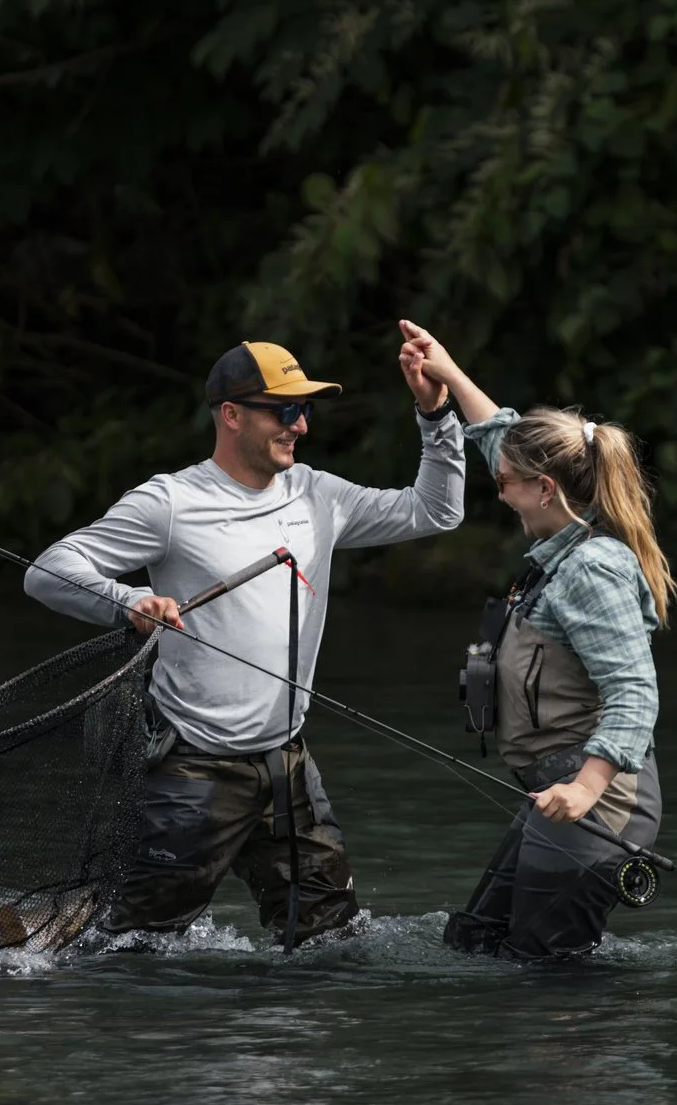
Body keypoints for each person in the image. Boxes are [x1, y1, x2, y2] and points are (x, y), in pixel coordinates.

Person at [24, 331, 466, 944]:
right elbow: (48, 570)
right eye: (284, 411)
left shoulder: (320, 496)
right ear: (231, 415)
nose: (300, 426)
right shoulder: (171, 502)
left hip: (288, 764)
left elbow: (436, 511)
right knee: (133, 951)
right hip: (191, 772)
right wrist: (129, 602)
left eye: (305, 409)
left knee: (331, 943)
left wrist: (434, 413)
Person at [396, 325, 676, 960]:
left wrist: (584, 788)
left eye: (503, 483)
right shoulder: (561, 545)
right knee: (478, 942)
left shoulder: (592, 570)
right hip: (556, 795)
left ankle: (582, 1056)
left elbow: (635, 693)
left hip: (596, 802)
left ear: (543, 489)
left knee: (547, 968)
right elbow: (504, 437)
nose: (498, 490)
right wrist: (447, 371)